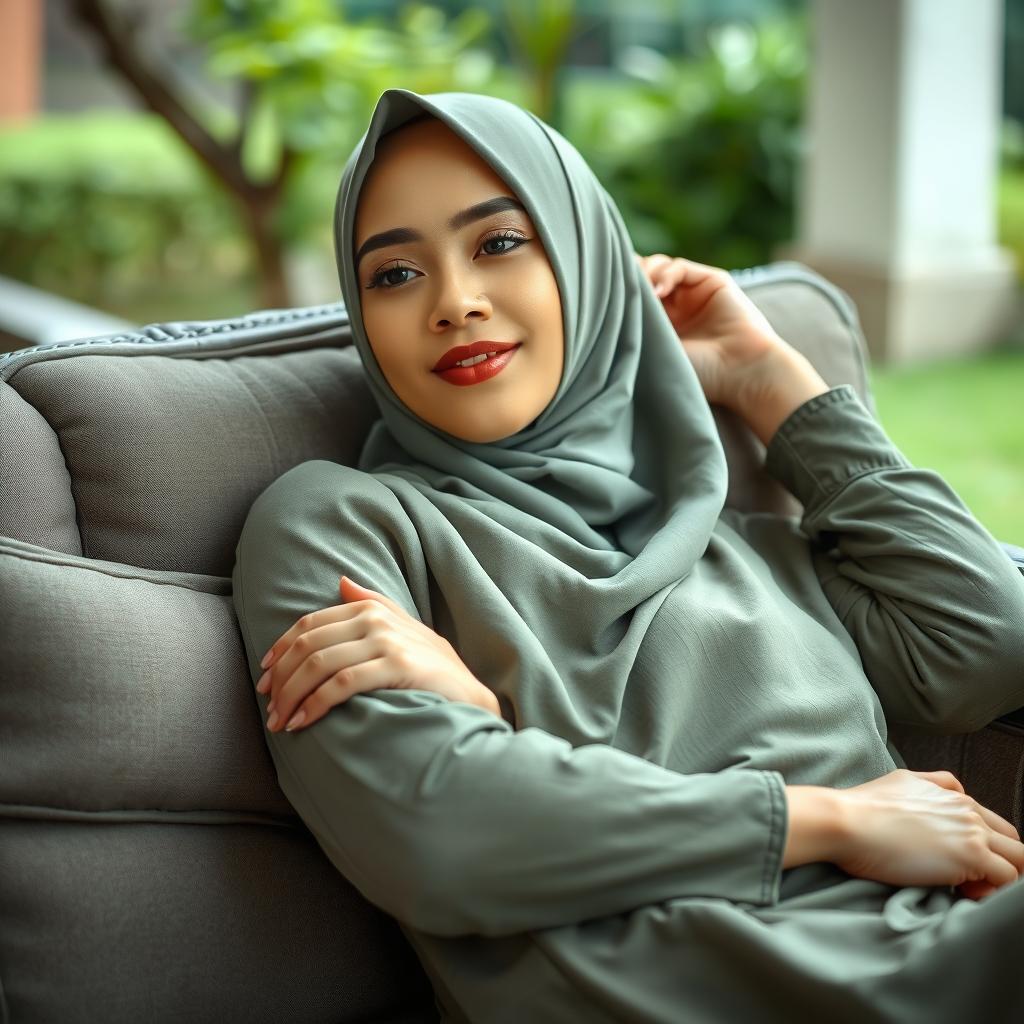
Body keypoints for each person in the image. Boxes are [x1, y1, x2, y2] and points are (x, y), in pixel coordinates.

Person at [230, 88, 1024, 1022]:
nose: (455, 303)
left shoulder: (752, 546)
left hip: (949, 952)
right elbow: (445, 837)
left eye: (497, 243)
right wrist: (836, 819)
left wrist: (774, 383)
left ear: (588, 265)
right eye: (394, 275)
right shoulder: (345, 525)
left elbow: (987, 648)